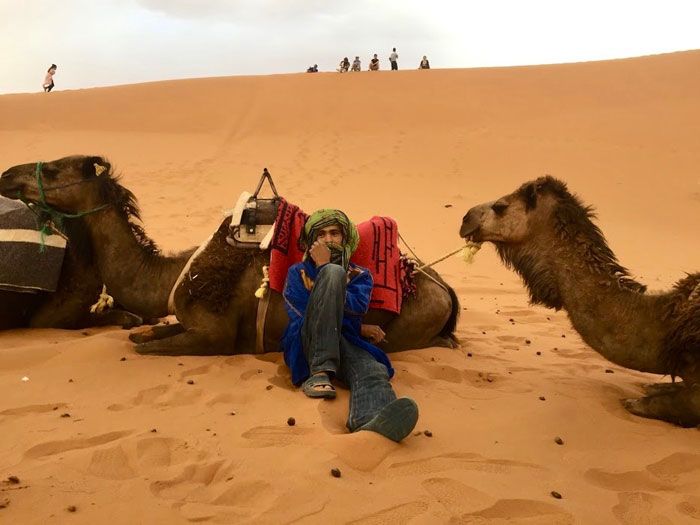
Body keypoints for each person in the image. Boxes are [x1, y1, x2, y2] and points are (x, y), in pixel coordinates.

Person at [281, 209, 419, 442]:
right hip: (307, 340)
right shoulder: (299, 272)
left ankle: (369, 420)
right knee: (333, 272)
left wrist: (356, 327)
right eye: (321, 234)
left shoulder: (359, 275)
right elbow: (301, 313)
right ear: (312, 242)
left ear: (345, 238)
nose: (328, 239)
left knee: (372, 369)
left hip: (343, 339)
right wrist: (326, 268)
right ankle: (319, 372)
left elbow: (356, 308)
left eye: (334, 233)